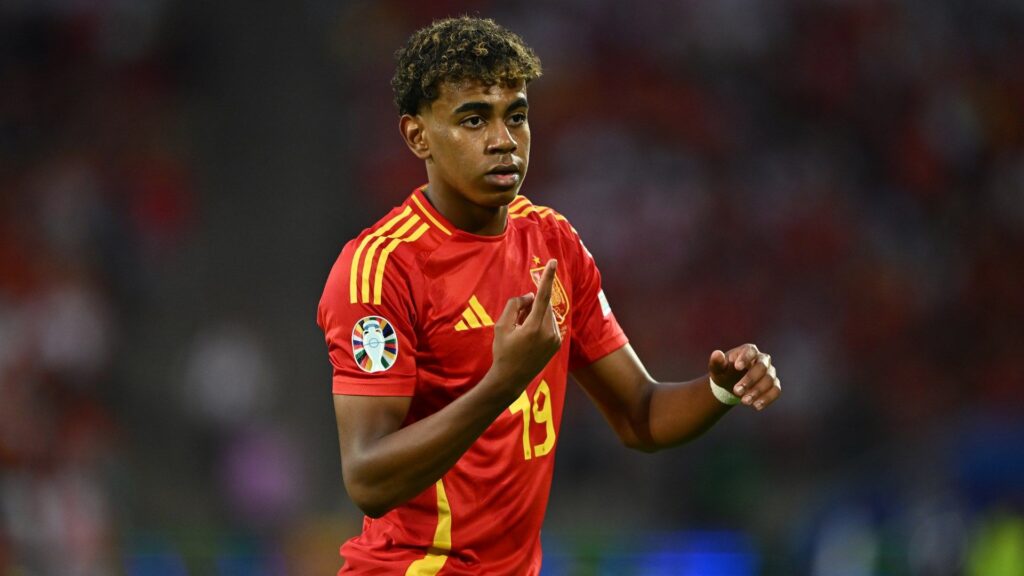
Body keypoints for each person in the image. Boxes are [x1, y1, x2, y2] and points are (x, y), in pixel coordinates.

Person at [317, 16, 782, 575]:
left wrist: (721, 389)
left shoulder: (552, 242)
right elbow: (367, 479)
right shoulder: (381, 270)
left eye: (516, 116)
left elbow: (639, 414)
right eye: (474, 119)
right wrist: (504, 381)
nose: (503, 141)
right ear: (418, 136)